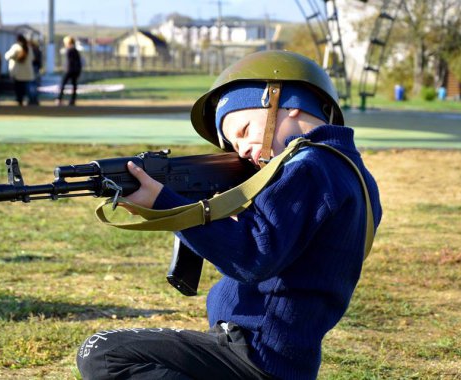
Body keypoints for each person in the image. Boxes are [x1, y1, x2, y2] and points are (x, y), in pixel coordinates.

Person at [76, 50, 383, 379]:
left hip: (255, 353)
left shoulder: (308, 167)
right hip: (276, 355)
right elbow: (279, 242)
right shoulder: (348, 171)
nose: (243, 151)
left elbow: (253, 255)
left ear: (291, 103)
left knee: (101, 351)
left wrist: (166, 205)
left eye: (244, 130)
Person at [4, 34, 34, 106]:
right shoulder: (29, 48)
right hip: (27, 72)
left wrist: (14, 58)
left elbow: (7, 56)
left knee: (18, 88)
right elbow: (32, 58)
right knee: (26, 87)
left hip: (17, 72)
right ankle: (31, 100)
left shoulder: (15, 47)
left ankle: (20, 100)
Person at [57, 36, 81, 106]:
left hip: (69, 70)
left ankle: (59, 99)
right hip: (75, 70)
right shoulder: (75, 50)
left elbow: (70, 62)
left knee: (63, 84)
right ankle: (72, 100)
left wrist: (68, 69)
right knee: (73, 86)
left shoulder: (70, 50)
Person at [27, 39, 42, 105]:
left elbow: (32, 60)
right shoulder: (38, 50)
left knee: (31, 85)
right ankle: (35, 99)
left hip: (32, 68)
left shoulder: (30, 51)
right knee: (35, 85)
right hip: (36, 68)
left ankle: (32, 99)